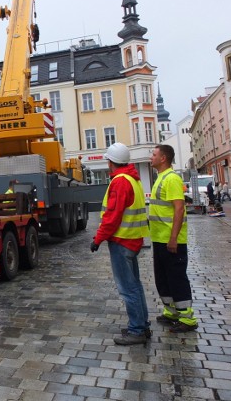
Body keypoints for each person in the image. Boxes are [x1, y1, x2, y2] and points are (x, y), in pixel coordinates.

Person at [91, 142, 150, 345]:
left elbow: (112, 216)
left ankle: (137, 330)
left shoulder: (120, 182)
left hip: (122, 241)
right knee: (136, 285)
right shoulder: (132, 179)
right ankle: (142, 325)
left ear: (111, 162)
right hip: (132, 240)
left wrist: (97, 239)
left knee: (128, 288)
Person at [149, 145, 198, 333]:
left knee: (176, 278)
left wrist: (173, 238)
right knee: (163, 279)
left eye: (154, 154)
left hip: (171, 240)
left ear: (163, 158)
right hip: (160, 238)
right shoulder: (160, 178)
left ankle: (187, 318)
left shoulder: (171, 179)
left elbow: (179, 208)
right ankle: (172, 312)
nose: (151, 157)